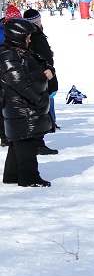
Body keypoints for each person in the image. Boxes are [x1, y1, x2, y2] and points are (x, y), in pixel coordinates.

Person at [0, 18, 53, 186]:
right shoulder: (8, 53)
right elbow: (18, 81)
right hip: (20, 104)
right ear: (18, 35)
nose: (30, 39)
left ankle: (12, 175)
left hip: (23, 103)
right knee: (26, 140)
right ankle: (29, 177)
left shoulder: (20, 50)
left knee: (19, 140)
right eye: (27, 36)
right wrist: (36, 99)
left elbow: (42, 63)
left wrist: (49, 70)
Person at [23, 10, 58, 154]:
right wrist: (49, 64)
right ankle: (38, 143)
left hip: (33, 77)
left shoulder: (26, 35)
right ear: (36, 21)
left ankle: (37, 141)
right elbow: (45, 58)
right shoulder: (37, 36)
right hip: (40, 77)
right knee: (40, 110)